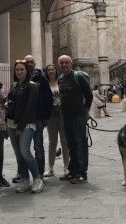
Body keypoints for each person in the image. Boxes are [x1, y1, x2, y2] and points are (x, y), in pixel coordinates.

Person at [6, 60, 43, 193]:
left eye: (22, 69)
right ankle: (25, 180)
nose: (19, 71)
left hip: (26, 124)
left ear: (27, 71)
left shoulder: (32, 86)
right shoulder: (14, 85)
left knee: (25, 152)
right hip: (11, 123)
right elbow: (11, 103)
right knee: (18, 154)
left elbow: (30, 108)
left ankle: (37, 179)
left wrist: (20, 127)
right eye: (17, 70)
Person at [58, 55, 93, 184]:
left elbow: (89, 95)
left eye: (66, 62)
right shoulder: (60, 79)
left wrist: (86, 112)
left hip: (78, 116)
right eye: (61, 63)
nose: (64, 65)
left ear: (71, 64)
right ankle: (73, 171)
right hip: (66, 116)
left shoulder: (78, 76)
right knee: (70, 144)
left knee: (81, 144)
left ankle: (82, 173)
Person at [24, 55, 53, 180]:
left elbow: (48, 98)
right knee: (23, 149)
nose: (30, 63)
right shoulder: (21, 77)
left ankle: (40, 173)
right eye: (27, 62)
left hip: (38, 118)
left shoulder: (42, 78)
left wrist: (47, 116)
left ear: (35, 64)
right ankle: (23, 174)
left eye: (31, 62)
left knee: (38, 147)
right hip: (24, 119)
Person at [43, 64, 70, 179]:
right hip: (51, 115)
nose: (51, 71)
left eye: (52, 69)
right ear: (46, 72)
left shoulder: (62, 81)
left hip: (62, 113)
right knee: (52, 141)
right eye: (49, 70)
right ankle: (50, 167)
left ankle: (66, 167)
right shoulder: (45, 84)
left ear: (56, 71)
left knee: (64, 141)